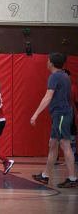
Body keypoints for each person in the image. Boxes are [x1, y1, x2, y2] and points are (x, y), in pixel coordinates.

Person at [30, 53, 77, 188]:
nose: (47, 62)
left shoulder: (55, 76)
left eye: (48, 60)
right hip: (61, 115)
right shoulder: (64, 76)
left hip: (61, 115)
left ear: (51, 63)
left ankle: (72, 178)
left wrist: (35, 114)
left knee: (65, 144)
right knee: (53, 144)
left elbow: (47, 97)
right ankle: (45, 175)